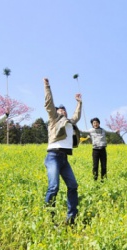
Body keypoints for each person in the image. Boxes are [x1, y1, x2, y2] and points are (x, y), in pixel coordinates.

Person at [43, 78, 82, 225]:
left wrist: (79, 102)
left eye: (63, 109)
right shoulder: (54, 119)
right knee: (54, 186)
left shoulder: (69, 122)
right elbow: (49, 103)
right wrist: (47, 86)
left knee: (73, 186)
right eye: (59, 110)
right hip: (53, 156)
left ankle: (71, 218)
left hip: (64, 158)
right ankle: (49, 218)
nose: (61, 111)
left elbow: (76, 116)